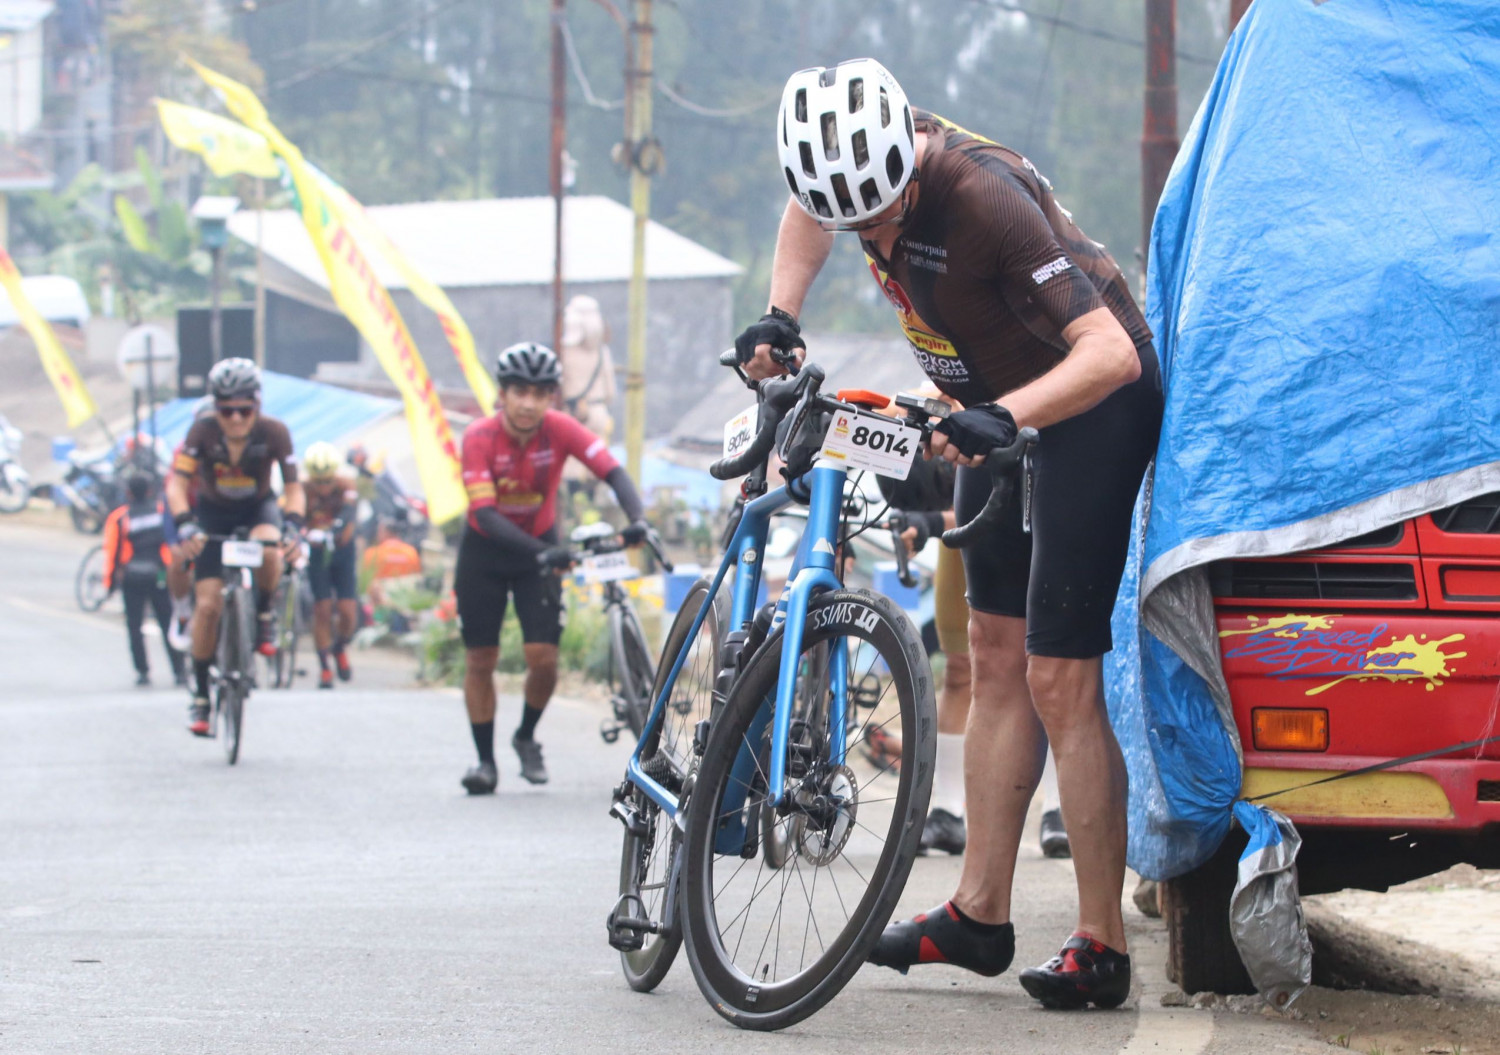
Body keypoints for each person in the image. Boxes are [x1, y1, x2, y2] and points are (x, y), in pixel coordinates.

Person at [736, 59, 1161, 1009]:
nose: (876, 238)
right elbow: (812, 208)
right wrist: (781, 313)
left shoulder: (982, 198)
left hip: (1090, 408)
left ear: (909, 166)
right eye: (859, 225)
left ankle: (1101, 943)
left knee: (1060, 675)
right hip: (991, 406)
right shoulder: (852, 165)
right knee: (993, 655)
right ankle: (978, 915)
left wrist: (1005, 416)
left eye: (885, 216)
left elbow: (1111, 354)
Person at [455, 342, 649, 795]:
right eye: (519, 392)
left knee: (543, 659)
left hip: (539, 549)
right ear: (502, 394)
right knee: (480, 659)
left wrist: (638, 518)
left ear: (551, 398)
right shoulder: (479, 436)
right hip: (484, 552)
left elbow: (612, 471)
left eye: (540, 394)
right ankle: (485, 763)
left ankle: (526, 735)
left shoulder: (560, 429)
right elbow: (485, 514)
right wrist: (542, 552)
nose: (529, 403)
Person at [166, 358, 304, 736]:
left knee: (269, 549)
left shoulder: (275, 432)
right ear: (216, 408)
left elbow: (294, 488)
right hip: (213, 515)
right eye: (227, 411)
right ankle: (200, 695)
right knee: (208, 606)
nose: (237, 419)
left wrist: (293, 526)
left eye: (245, 409)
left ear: (257, 405)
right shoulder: (201, 431)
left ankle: (264, 613)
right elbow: (177, 484)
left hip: (258, 508)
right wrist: (185, 522)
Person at [102, 471, 185, 687]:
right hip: (159, 574)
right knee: (167, 622)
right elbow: (174, 543)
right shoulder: (161, 512)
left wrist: (110, 584)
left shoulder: (120, 517)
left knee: (134, 626)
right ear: (150, 491)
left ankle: (142, 671)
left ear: (128, 492)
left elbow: (112, 552)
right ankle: (179, 671)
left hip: (132, 577)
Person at [301, 441, 361, 689]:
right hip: (317, 553)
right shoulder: (303, 489)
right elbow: (293, 514)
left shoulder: (347, 485)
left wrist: (335, 528)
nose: (323, 487)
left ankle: (340, 647)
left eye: (327, 481)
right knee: (322, 609)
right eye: (318, 482)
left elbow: (349, 512)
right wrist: (305, 533)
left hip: (342, 550)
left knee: (348, 611)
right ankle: (324, 667)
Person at [363, 518, 423, 610]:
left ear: (385, 532)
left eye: (379, 531)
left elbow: (366, 581)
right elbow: (416, 578)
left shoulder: (372, 553)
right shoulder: (411, 552)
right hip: (404, 603)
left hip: (379, 604)